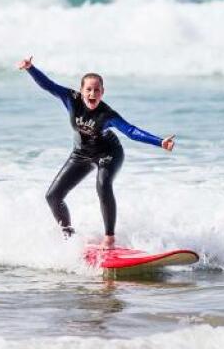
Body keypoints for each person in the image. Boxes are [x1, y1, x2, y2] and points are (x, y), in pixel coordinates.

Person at [18, 56, 175, 249]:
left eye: (97, 90)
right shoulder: (71, 99)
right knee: (53, 196)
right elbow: (48, 85)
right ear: (81, 90)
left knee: (103, 185)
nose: (92, 93)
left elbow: (131, 131)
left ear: (103, 92)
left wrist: (160, 142)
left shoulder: (106, 114)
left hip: (109, 153)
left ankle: (109, 238)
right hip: (81, 154)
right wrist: (30, 68)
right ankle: (69, 235)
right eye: (88, 89)